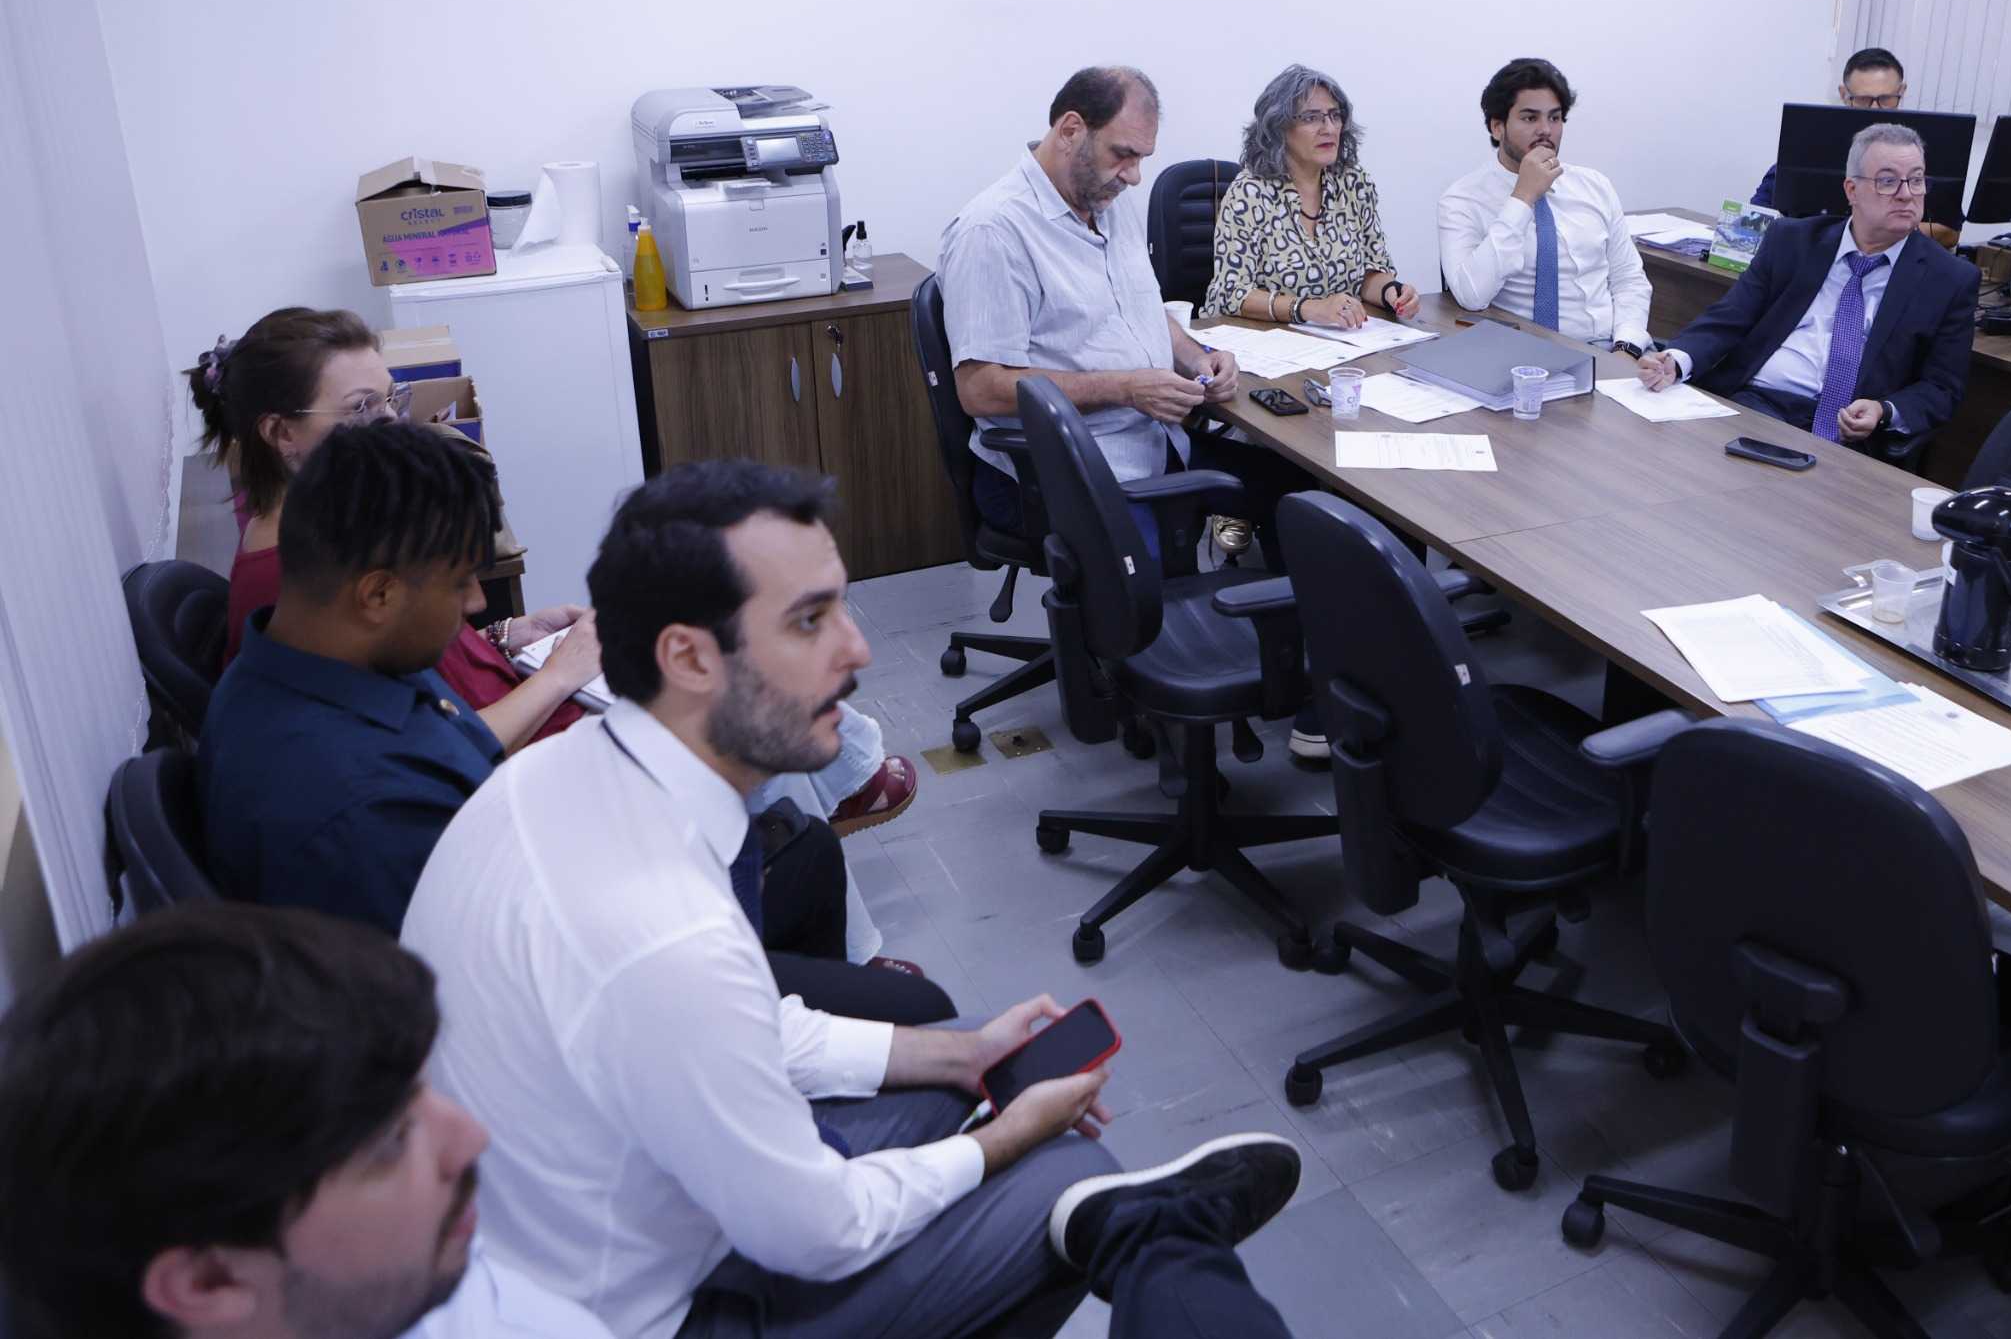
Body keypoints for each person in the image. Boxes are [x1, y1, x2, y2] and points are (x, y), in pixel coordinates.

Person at [401, 460, 1304, 1339]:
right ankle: (1125, 1230)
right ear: (688, 657)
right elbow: (820, 1230)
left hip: (612, 1213)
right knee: (1055, 1163)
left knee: (976, 1074)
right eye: (809, 621)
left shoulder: (564, 779)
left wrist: (953, 1056)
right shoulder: (661, 932)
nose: (859, 649)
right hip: (653, 1305)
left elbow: (739, 1025)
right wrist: (1002, 1142)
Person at [197, 422, 946, 1023]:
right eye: (460, 583)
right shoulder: (358, 812)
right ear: (378, 594)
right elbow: (512, 1000)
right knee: (899, 992)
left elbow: (456, 754)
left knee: (797, 841)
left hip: (559, 901)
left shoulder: (316, 662)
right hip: (586, 994)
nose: (475, 605)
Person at [0, 899, 610, 1339]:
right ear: (210, 1279)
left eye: (420, 1093)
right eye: (392, 1141)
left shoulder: (403, 1285)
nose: (470, 1139)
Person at [938, 63, 1313, 578]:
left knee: (1308, 498)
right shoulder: (993, 232)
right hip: (1069, 470)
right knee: (1146, 605)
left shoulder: (1109, 203)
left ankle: (1304, 623)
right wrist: (1126, 388)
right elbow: (980, 389)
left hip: (1153, 441)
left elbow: (1143, 311)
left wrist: (1198, 358)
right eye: (1124, 154)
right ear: (1071, 130)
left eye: (1141, 158)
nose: (1135, 176)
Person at [188, 307, 602, 753]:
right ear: (281, 432)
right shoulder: (295, 577)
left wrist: (506, 636)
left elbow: (399, 669)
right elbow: (435, 749)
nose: (390, 420)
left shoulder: (339, 526)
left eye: (390, 399)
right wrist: (561, 674)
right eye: (361, 407)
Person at [1639, 122, 1975, 448]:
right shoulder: (1792, 240)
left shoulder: (1950, 278)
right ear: (1852, 190)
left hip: (1852, 435)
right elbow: (1730, 317)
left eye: (1916, 180)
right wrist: (1678, 359)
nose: (1906, 195)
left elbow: (1942, 388)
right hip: (1757, 403)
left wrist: (1884, 410)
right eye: (1888, 182)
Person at [1438, 56, 1657, 354]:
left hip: (1611, 350)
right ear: (1497, 127)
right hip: (1519, 355)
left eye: (1554, 118)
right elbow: (1472, 296)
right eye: (1530, 118)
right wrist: (1523, 198)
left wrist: (1627, 346)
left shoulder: (1595, 186)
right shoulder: (1462, 200)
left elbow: (1629, 279)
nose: (1546, 130)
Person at [1200, 63, 1420, 328]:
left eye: (1334, 115)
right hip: (1260, 339)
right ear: (1279, 127)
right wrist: (1309, 309)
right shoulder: (1249, 193)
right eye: (1311, 118)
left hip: (1337, 339)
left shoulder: (1354, 183)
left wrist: (1392, 292)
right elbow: (1231, 294)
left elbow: (1369, 274)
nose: (1328, 128)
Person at [1744, 46, 1910, 213]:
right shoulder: (1810, 150)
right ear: (1844, 95)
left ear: (1901, 92)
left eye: (1886, 99)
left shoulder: (1916, 155)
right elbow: (1757, 214)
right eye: (1863, 100)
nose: (1875, 109)